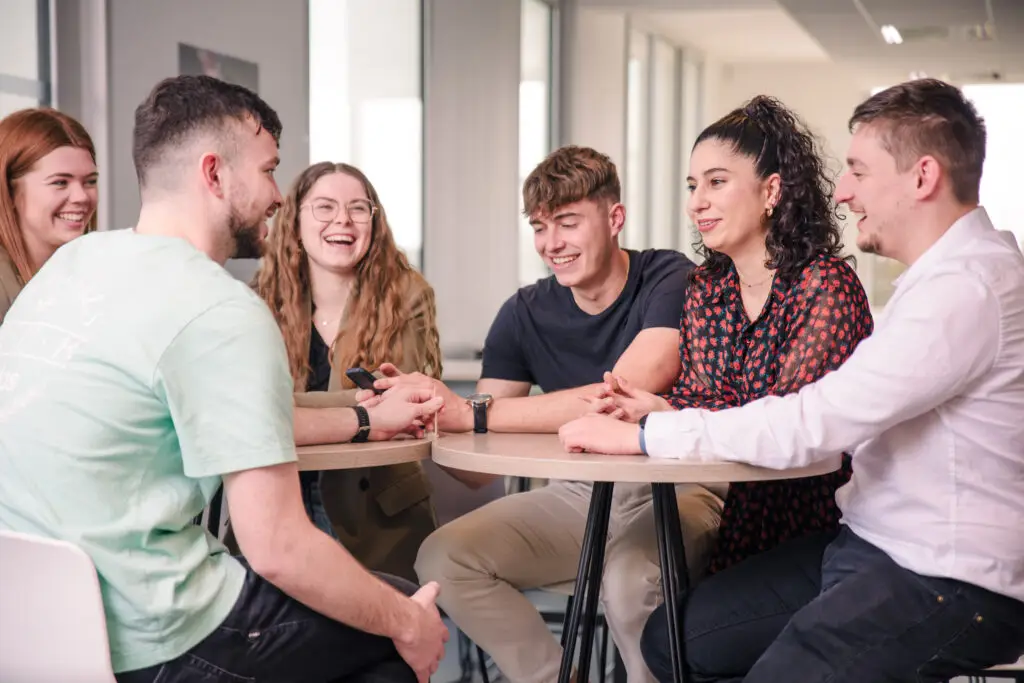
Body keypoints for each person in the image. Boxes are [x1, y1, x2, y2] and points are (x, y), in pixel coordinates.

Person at [562, 79, 1024, 683]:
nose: (843, 191)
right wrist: (666, 418)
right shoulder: (940, 278)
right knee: (672, 643)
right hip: (866, 542)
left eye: (859, 171)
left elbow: (812, 422)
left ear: (922, 177)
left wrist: (650, 433)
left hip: (945, 576)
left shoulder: (963, 290)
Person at [0, 75, 448, 683]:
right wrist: (408, 624)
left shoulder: (72, 265)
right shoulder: (221, 309)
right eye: (268, 171)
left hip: (36, 625)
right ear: (214, 174)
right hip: (153, 634)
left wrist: (363, 419)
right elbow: (279, 548)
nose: (276, 197)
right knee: (397, 622)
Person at [373, 145, 725, 683]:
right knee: (445, 558)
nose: (551, 244)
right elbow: (475, 467)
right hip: (578, 492)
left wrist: (470, 412)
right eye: (539, 226)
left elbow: (619, 396)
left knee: (629, 583)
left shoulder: (669, 277)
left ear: (614, 218)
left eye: (567, 222)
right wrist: (428, 413)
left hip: (674, 484)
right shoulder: (523, 313)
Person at [587, 95, 873, 576]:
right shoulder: (707, 288)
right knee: (637, 582)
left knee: (674, 626)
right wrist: (657, 406)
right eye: (693, 185)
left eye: (717, 182)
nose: (696, 202)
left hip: (829, 523)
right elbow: (704, 396)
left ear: (771, 192)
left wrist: (667, 413)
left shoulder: (823, 285)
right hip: (742, 511)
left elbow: (788, 425)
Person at [249, 161, 442, 581]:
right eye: (324, 207)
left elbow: (406, 402)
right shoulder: (257, 302)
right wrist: (365, 407)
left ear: (374, 222)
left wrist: (282, 407)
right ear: (295, 221)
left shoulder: (407, 295)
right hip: (278, 506)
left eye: (358, 208)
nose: (343, 220)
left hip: (377, 514)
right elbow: (245, 410)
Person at [0, 107, 98, 321]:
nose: (81, 196)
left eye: (90, 181)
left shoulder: (89, 276)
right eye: (60, 182)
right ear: (10, 191)